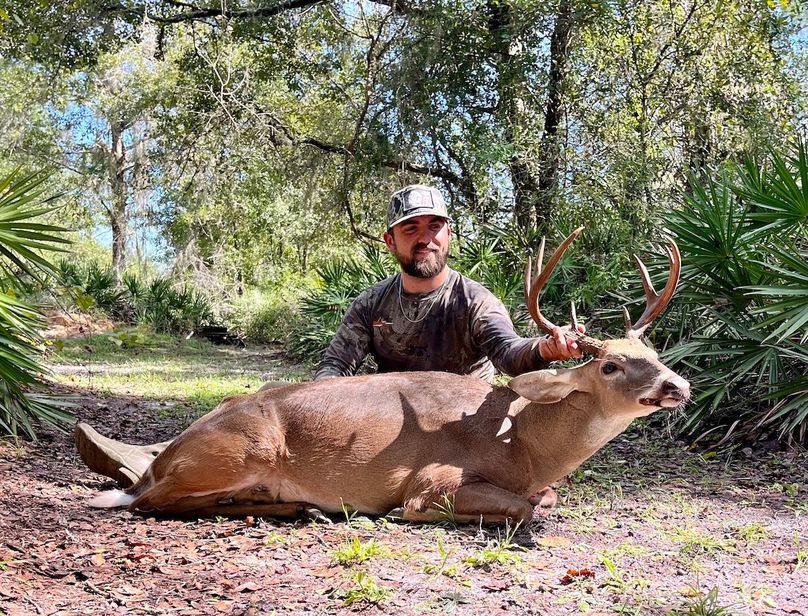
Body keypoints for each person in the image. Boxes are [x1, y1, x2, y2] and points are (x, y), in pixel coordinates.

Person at [75, 185, 583, 491]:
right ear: (390, 240)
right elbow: (334, 369)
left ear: (448, 235)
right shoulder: (371, 303)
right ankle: (157, 452)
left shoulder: (473, 299)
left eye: (435, 226)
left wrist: (546, 348)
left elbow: (509, 352)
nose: (424, 237)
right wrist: (313, 408)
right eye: (411, 229)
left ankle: (159, 460)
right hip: (392, 424)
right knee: (272, 407)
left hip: (462, 431)